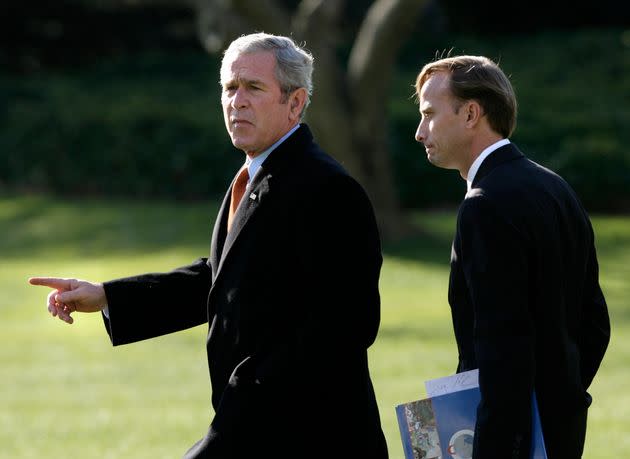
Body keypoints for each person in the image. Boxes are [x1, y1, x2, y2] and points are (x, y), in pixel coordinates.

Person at [29, 32, 388, 459]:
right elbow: (222, 278)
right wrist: (108, 296)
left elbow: (345, 326)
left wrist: (243, 405)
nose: (237, 100)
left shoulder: (326, 189)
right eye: (229, 87)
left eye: (254, 87)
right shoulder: (256, 174)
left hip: (307, 436)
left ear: (295, 103)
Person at [413, 54, 610, 458]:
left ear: (471, 113)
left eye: (430, 114)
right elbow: (594, 324)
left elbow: (503, 351)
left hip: (510, 440)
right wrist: (560, 396)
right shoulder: (554, 186)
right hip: (560, 429)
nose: (419, 132)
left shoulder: (485, 205)